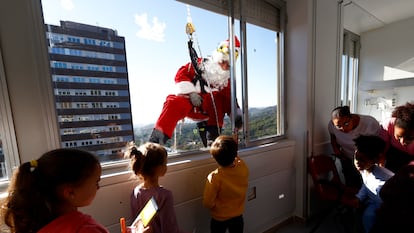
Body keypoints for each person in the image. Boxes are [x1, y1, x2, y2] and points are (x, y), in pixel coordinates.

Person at [148, 36, 242, 147]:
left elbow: (230, 99)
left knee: (218, 100)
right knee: (173, 102)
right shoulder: (199, 64)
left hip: (211, 112)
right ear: (218, 57)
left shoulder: (227, 81)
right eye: (223, 61)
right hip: (191, 104)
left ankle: (213, 139)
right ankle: (155, 142)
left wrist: (236, 117)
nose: (225, 66)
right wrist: (191, 92)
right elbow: (181, 74)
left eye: (228, 65)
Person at [0, 148, 112, 233]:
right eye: (96, 182)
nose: (98, 187)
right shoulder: (86, 229)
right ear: (70, 192)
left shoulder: (35, 224)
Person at [125, 141, 187, 233]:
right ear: (157, 168)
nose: (166, 166)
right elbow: (169, 227)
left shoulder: (136, 192)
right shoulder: (165, 195)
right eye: (165, 163)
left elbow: (136, 224)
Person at [328, 105, 384, 189]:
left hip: (367, 161)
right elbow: (333, 139)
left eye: (346, 123)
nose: (343, 128)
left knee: (369, 186)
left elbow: (379, 144)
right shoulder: (331, 125)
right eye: (338, 126)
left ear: (352, 117)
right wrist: (338, 153)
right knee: (351, 184)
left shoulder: (370, 123)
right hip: (347, 158)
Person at [203, 135, 249, 233]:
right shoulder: (242, 167)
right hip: (237, 216)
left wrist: (216, 207)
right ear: (235, 154)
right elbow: (237, 158)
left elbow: (207, 202)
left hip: (219, 218)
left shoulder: (215, 177)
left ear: (215, 158)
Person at [350, 135, 394, 233]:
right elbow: (366, 185)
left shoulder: (385, 179)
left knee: (370, 217)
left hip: (386, 207)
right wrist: (359, 197)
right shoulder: (364, 169)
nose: (357, 162)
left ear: (374, 160)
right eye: (356, 158)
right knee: (363, 216)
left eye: (362, 160)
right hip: (373, 201)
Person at [369, 162, 414, 233]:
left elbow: (383, 192)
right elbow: (384, 192)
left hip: (389, 217)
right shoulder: (408, 171)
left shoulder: (408, 170)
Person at [381, 102, 414, 173]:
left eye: (410, 138)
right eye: (399, 137)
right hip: (393, 155)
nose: (403, 142)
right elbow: (383, 148)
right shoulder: (389, 124)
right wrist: (381, 158)